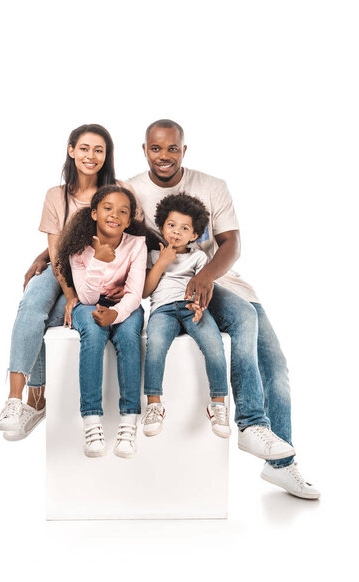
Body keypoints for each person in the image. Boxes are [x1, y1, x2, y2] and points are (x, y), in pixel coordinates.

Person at [128, 119, 320, 500]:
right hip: (167, 289)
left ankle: (278, 462)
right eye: (155, 148)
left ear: (184, 150)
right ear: (145, 149)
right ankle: (249, 422)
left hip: (220, 280)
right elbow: (105, 226)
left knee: (275, 366)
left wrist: (207, 278)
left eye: (172, 149)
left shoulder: (212, 186)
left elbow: (232, 243)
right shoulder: (133, 190)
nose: (164, 156)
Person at [142, 192, 296, 463]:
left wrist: (201, 307)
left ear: (195, 235)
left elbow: (207, 287)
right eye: (171, 225)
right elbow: (145, 290)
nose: (176, 232)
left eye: (185, 228)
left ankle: (219, 406)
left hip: (192, 308)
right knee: (155, 345)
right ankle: (154, 405)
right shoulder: (154, 255)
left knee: (213, 344)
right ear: (162, 226)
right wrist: (162, 263)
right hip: (163, 310)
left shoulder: (200, 258)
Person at [0, 124, 120, 441]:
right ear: (71, 150)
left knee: (44, 320)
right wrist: (70, 295)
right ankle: (15, 399)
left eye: (98, 150)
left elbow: (126, 238)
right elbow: (57, 251)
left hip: (98, 269)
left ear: (106, 157)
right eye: (84, 148)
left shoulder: (117, 191)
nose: (90, 156)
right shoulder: (56, 196)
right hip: (62, 267)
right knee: (32, 302)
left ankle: (38, 400)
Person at [56, 185, 147, 458]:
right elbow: (85, 296)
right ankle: (92, 421)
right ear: (94, 213)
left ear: (129, 220)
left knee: (129, 338)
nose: (115, 215)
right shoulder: (78, 248)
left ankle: (128, 422)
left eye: (123, 211)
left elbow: (134, 293)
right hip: (89, 304)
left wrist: (116, 314)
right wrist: (98, 260)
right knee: (94, 337)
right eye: (108, 208)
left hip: (124, 306)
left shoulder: (136, 245)